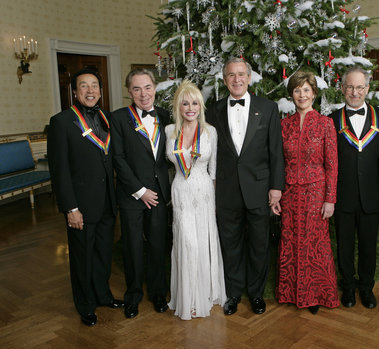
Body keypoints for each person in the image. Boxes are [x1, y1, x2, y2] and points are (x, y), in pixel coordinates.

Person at [206, 57, 285, 316]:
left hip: (260, 189)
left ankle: (256, 294)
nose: (237, 79)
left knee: (259, 244)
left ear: (249, 78)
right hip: (227, 190)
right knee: (230, 244)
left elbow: (275, 151)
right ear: (224, 79)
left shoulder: (268, 107)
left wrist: (276, 187)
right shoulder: (213, 110)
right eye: (231, 75)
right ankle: (233, 293)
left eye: (241, 74)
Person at [47, 68, 123, 326]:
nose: (90, 91)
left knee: (103, 254)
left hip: (107, 202)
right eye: (84, 86)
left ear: (100, 91)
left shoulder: (107, 117)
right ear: (75, 91)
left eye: (94, 86)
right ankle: (85, 304)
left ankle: (103, 295)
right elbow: (60, 171)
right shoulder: (61, 122)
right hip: (81, 205)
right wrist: (71, 208)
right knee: (82, 257)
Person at [276, 71, 340, 315]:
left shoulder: (325, 124)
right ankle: (290, 293)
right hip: (290, 193)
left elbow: (332, 165)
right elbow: (278, 162)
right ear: (291, 94)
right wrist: (278, 194)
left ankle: (314, 295)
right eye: (296, 90)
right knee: (291, 241)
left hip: (316, 193)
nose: (301, 95)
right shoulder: (285, 124)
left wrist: (330, 199)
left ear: (314, 93)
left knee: (315, 244)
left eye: (306, 90)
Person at [111, 69, 171, 319]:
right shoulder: (117, 118)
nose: (143, 94)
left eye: (147, 87)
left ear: (155, 88)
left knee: (158, 245)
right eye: (137, 89)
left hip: (159, 194)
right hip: (132, 195)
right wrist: (139, 190)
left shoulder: (167, 116)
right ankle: (133, 295)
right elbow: (119, 158)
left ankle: (158, 293)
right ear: (129, 92)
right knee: (133, 247)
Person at [328, 66, 379, 309]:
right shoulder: (331, 121)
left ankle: (366, 287)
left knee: (368, 245)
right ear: (342, 89)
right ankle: (349, 288)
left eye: (360, 87)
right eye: (350, 87)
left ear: (367, 89)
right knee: (344, 245)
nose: (355, 92)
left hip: (372, 196)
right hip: (343, 196)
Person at [164, 80, 226, 320]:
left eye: (195, 103)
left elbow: (215, 169)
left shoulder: (210, 131)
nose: (190, 107)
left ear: (201, 106)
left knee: (202, 242)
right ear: (178, 107)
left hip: (203, 192)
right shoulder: (171, 131)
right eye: (185, 103)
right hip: (180, 189)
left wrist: (214, 201)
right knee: (185, 241)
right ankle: (187, 296)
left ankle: (205, 294)